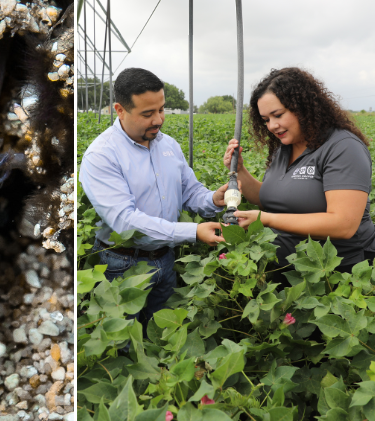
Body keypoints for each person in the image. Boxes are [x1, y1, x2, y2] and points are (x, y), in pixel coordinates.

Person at [80, 67, 226, 328]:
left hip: (165, 258)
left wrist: (213, 200)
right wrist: (193, 231)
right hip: (122, 263)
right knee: (123, 343)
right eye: (148, 114)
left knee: (164, 332)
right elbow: (126, 222)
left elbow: (190, 191)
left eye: (161, 109)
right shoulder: (101, 156)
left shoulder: (168, 145)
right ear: (120, 110)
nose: (158, 120)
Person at [221, 67, 375, 277]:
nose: (272, 126)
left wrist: (265, 219)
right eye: (266, 120)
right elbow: (271, 198)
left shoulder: (343, 147)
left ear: (303, 107)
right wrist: (240, 171)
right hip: (290, 270)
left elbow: (343, 225)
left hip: (338, 273)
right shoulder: (285, 148)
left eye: (278, 115)